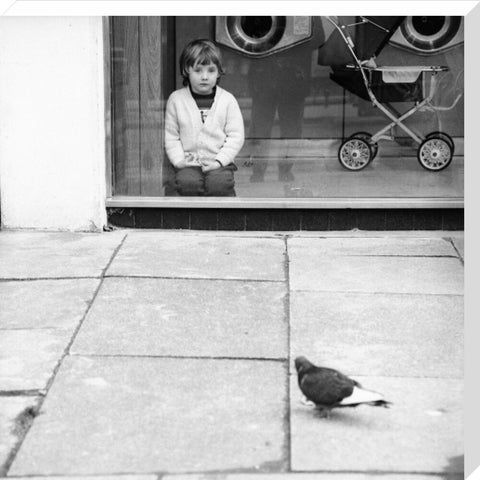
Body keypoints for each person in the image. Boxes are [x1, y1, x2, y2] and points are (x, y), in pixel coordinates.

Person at [165, 39, 245, 196]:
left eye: (211, 70)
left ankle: (224, 218)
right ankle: (190, 218)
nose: (204, 76)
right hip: (189, 162)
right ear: (187, 69)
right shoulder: (176, 100)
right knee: (187, 184)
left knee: (220, 185)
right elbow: (171, 136)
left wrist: (220, 161)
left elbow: (236, 136)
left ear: (219, 72)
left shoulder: (227, 100)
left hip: (219, 162)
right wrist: (179, 161)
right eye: (198, 70)